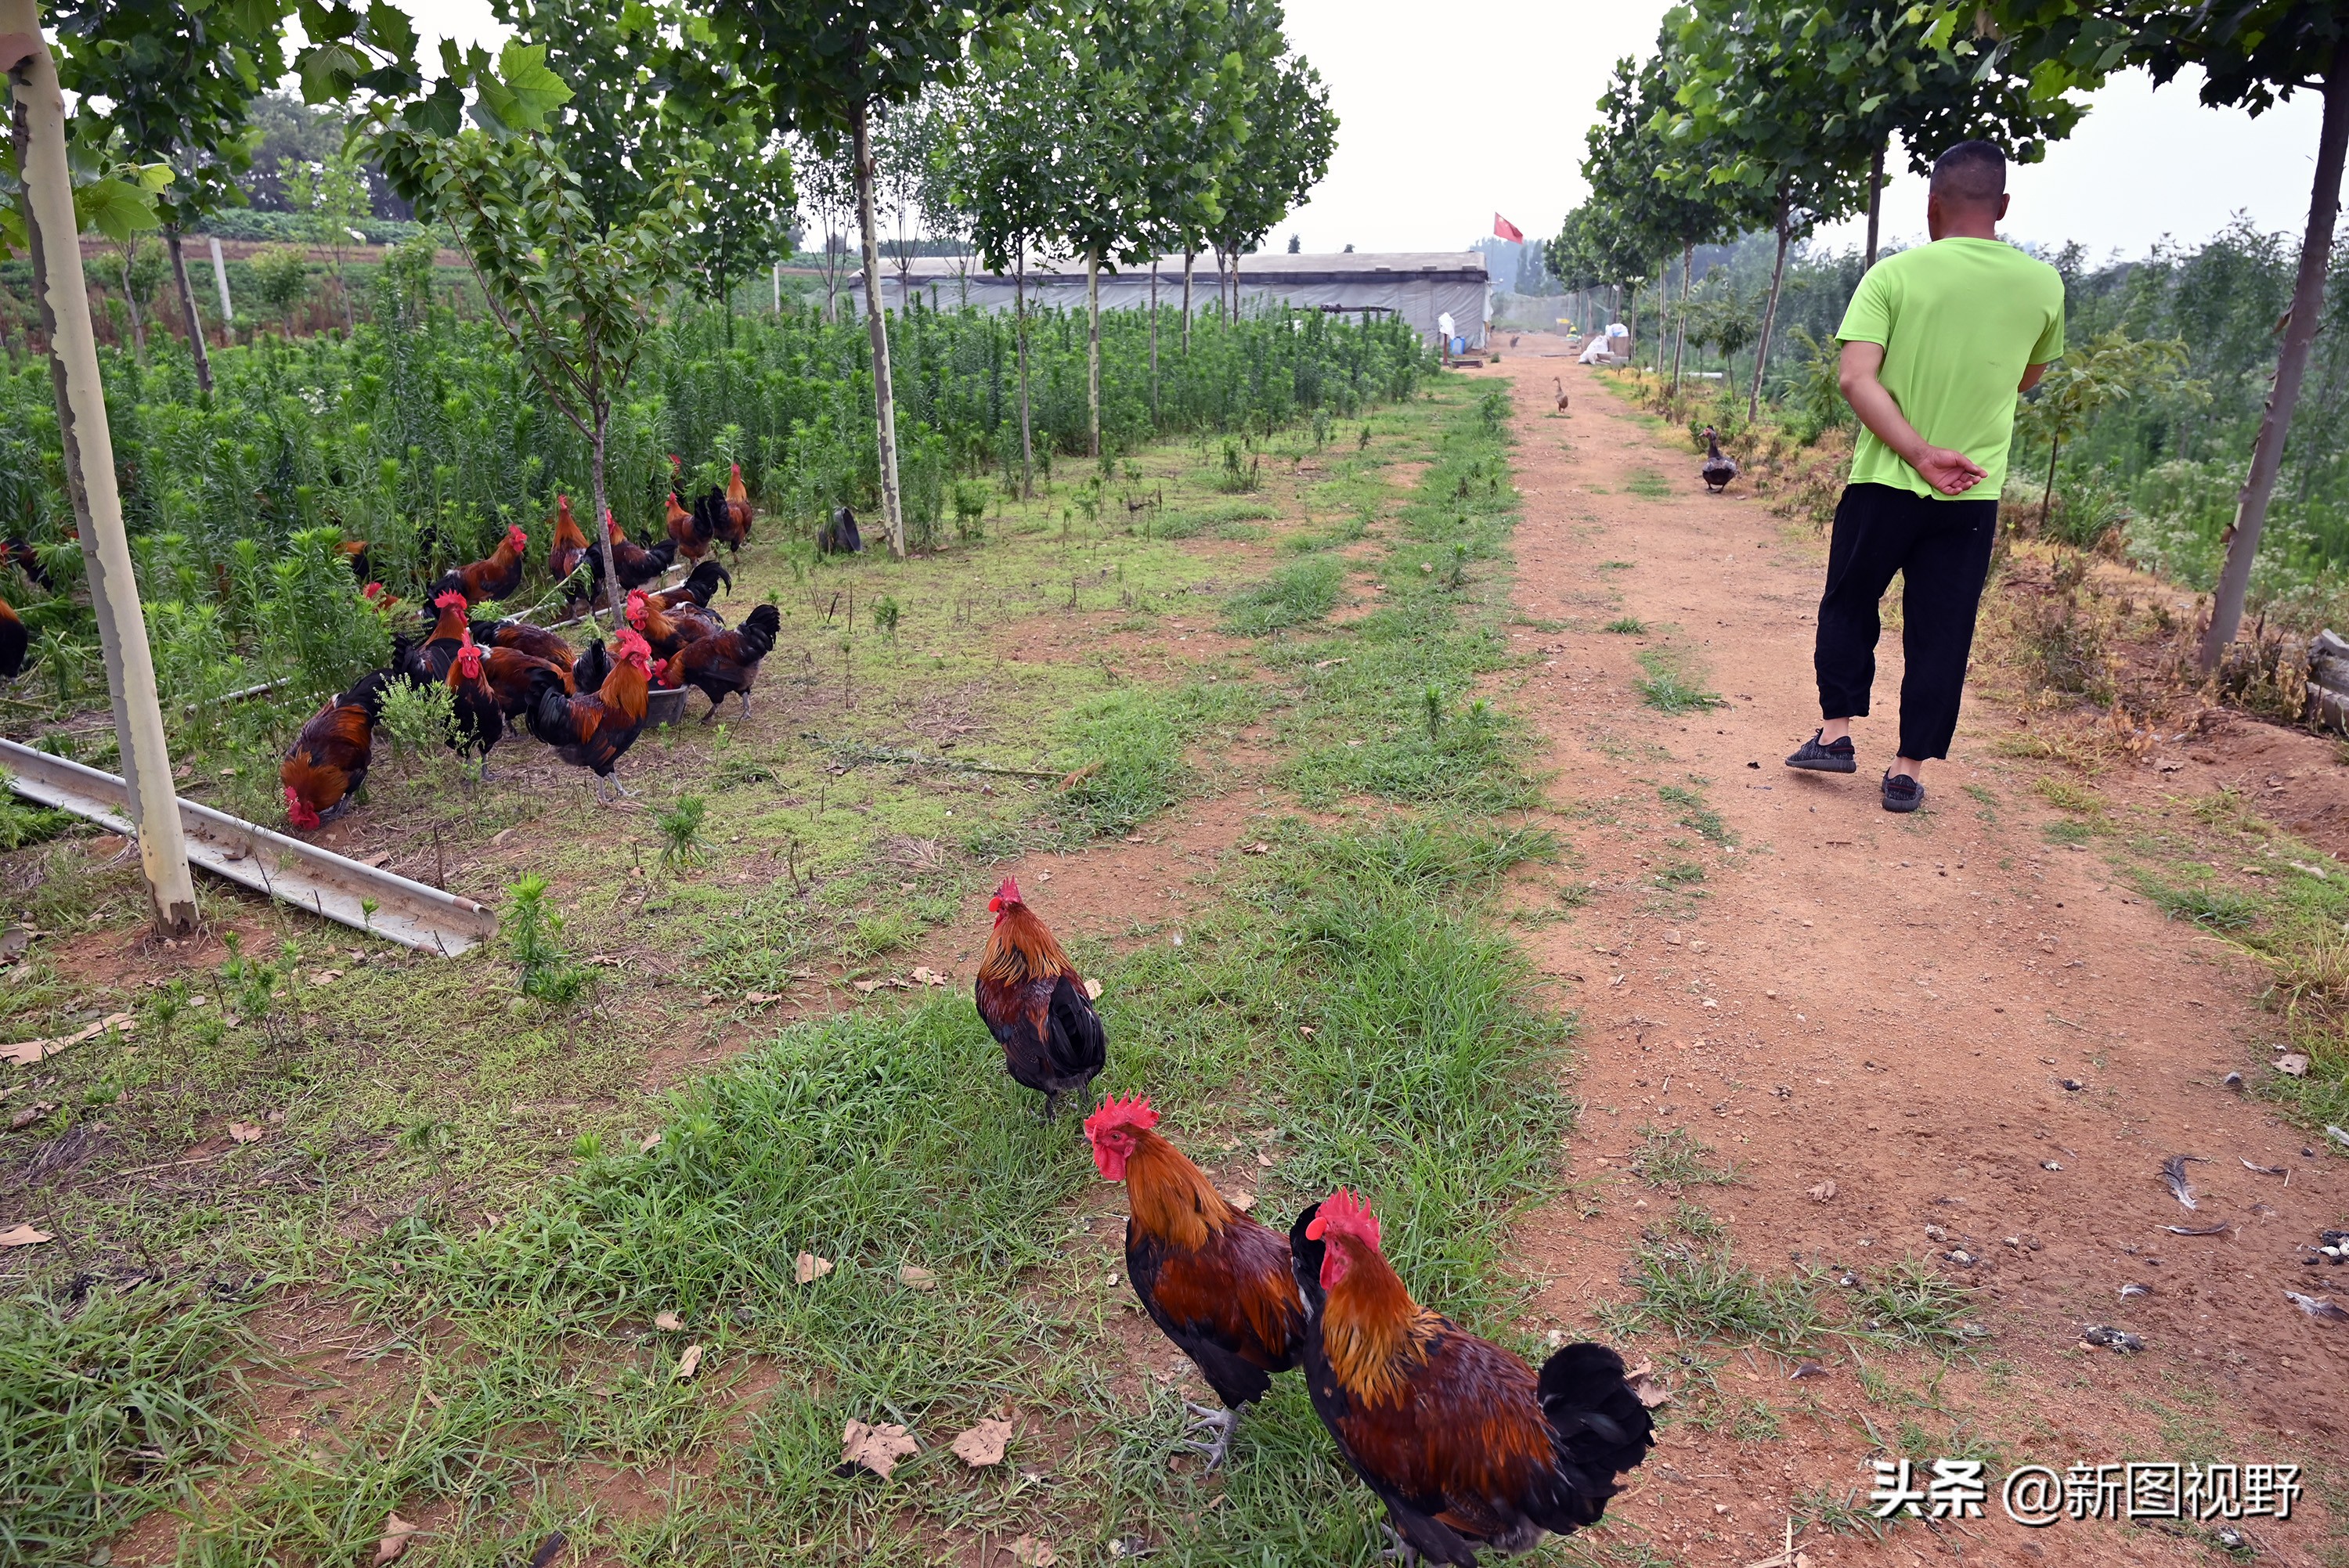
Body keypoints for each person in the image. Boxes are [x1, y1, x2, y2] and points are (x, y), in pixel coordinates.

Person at [1784, 139, 2064, 812]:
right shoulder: (2044, 286)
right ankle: (1908, 770)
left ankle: (1836, 734)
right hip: (1972, 488)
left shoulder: (1893, 277)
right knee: (1943, 628)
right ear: (2002, 205)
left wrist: (1917, 451)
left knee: (1851, 600)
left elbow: (1856, 378)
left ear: (1933, 205)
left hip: (1884, 478)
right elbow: (2026, 376)